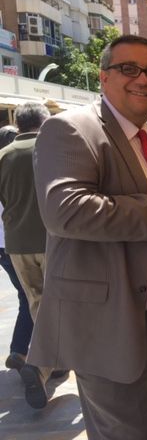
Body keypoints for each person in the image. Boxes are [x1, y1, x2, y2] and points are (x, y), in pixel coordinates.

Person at [30, 34, 147, 439]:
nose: (143, 79)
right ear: (103, 77)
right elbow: (66, 211)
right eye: (129, 68)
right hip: (111, 325)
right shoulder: (72, 129)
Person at [0, 103, 58, 409]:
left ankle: (49, 362)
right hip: (53, 239)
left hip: (17, 244)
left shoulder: (3, 156)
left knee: (37, 303)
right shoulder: (52, 148)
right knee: (61, 303)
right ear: (44, 122)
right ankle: (42, 365)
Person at [0, 125, 34, 376]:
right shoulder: (18, 170)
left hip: (5, 248)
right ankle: (26, 353)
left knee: (28, 296)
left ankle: (20, 350)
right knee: (33, 297)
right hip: (20, 243)